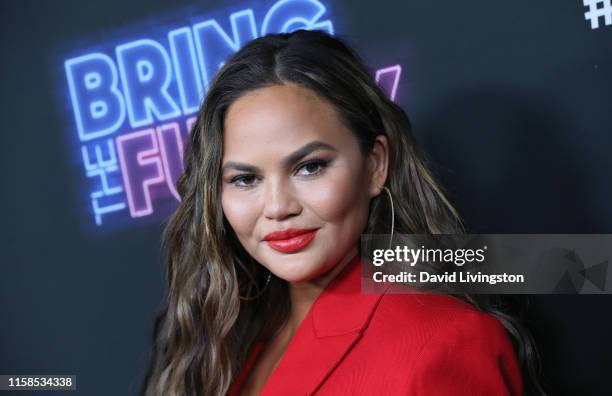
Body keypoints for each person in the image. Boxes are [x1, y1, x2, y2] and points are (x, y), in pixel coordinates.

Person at [141, 29, 545, 395]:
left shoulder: (444, 343)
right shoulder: (222, 342)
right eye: (246, 179)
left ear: (375, 165)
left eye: (309, 167)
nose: (278, 207)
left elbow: (587, 268)